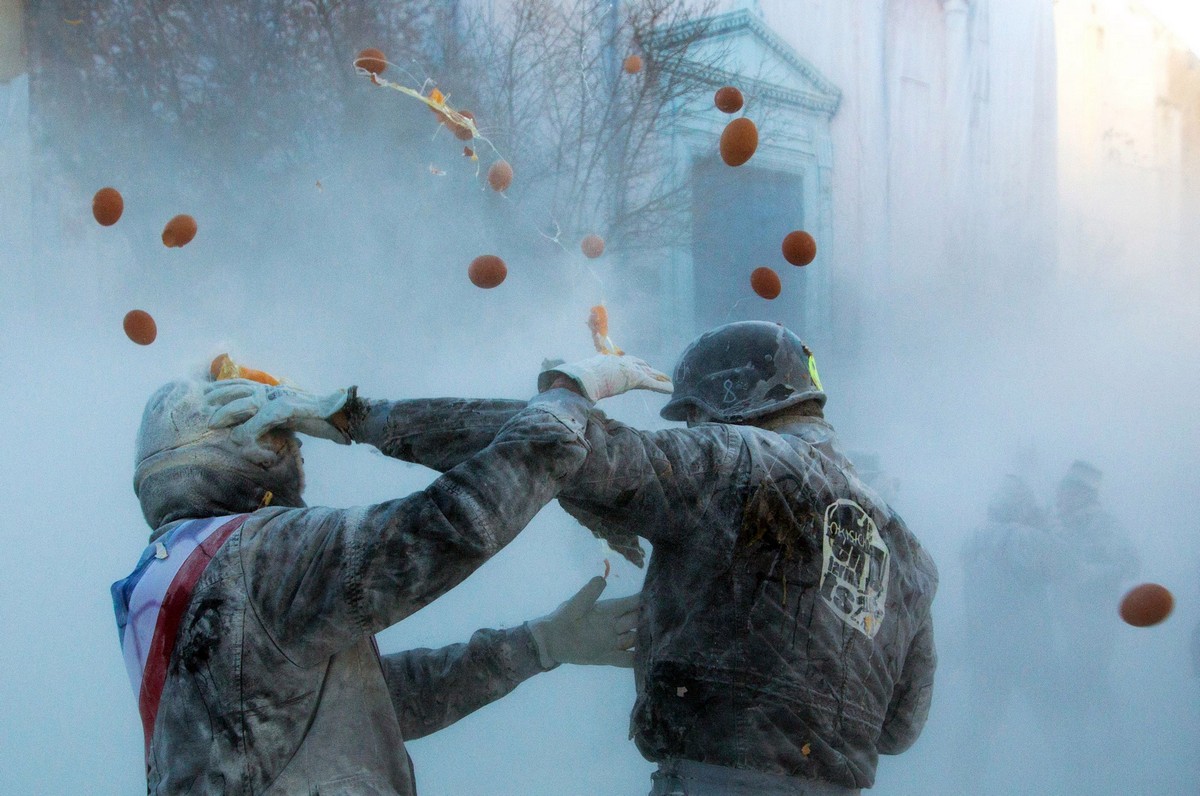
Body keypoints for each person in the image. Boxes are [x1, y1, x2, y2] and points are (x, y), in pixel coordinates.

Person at [343, 321, 939, 795]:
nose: (692, 428)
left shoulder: (738, 460)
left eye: (691, 418)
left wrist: (369, 420)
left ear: (724, 407)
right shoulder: (908, 552)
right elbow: (899, 729)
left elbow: (565, 449)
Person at [111, 354, 669, 794]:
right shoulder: (260, 555)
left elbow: (368, 707)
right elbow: (454, 523)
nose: (299, 453)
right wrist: (566, 402)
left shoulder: (169, 576)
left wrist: (541, 645)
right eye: (282, 438)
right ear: (244, 452)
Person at [956, 473, 1064, 786]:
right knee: (1056, 722)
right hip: (1030, 647)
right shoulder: (1026, 537)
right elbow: (1069, 570)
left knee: (979, 725)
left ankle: (963, 785)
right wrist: (1045, 530)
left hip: (986, 646)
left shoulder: (975, 536)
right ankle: (1071, 782)